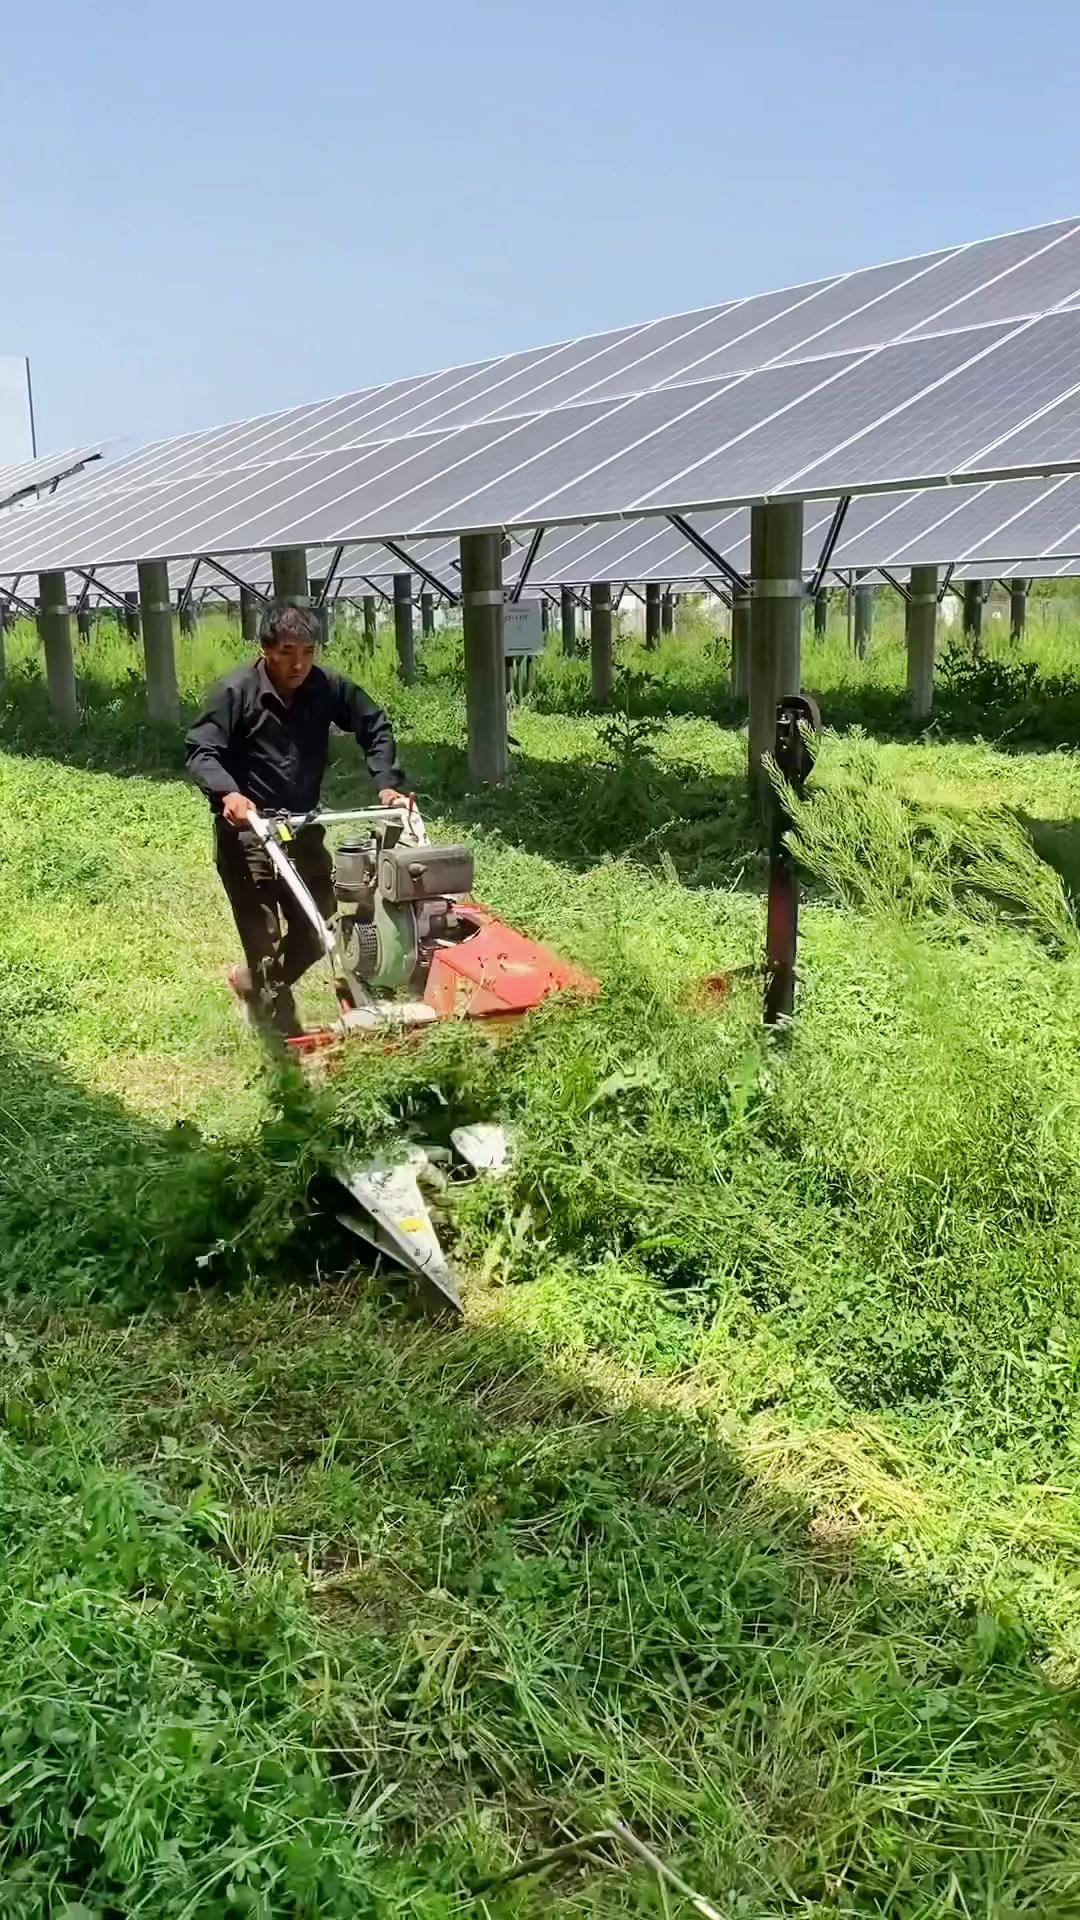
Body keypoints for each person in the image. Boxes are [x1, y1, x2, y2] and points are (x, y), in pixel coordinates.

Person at [185, 600, 407, 1037]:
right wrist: (229, 793)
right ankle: (280, 1031)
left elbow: (374, 724)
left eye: (308, 652)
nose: (299, 664)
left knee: (318, 926)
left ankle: (257, 983)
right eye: (287, 652)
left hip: (302, 827)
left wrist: (387, 783)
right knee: (263, 938)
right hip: (248, 834)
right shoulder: (235, 692)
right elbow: (201, 750)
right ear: (266, 648)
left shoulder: (326, 687)